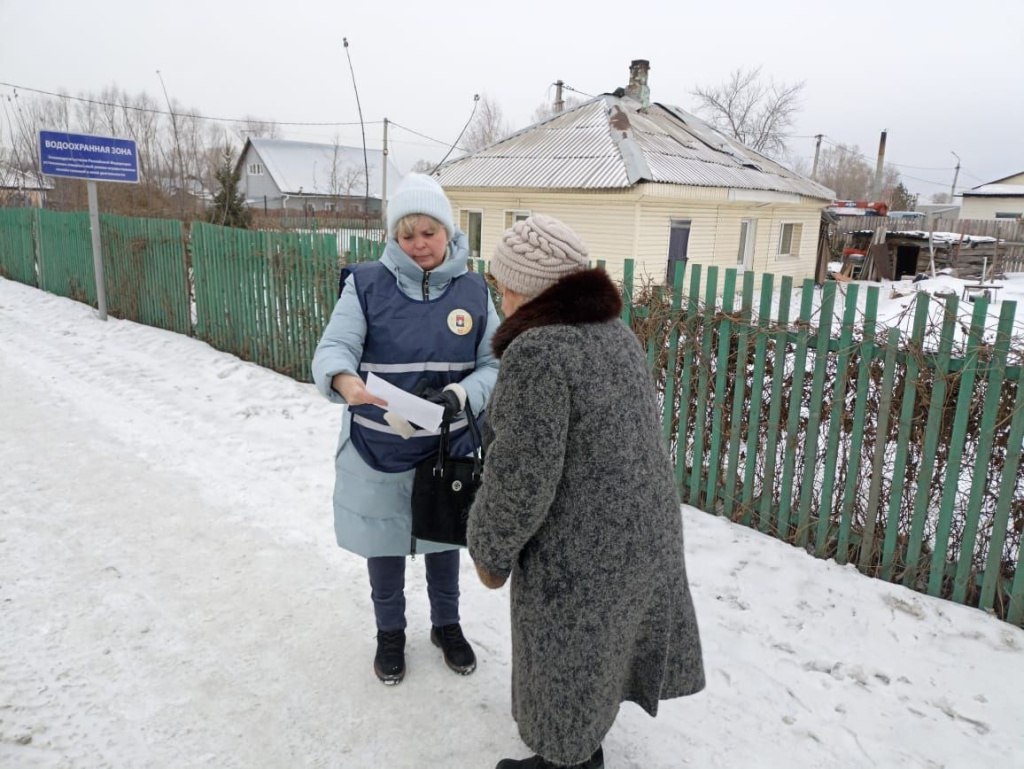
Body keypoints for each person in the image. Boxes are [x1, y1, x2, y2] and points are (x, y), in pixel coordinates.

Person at [467, 214, 705, 769]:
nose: (500, 296)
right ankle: (580, 751)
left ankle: (565, 762)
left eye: (503, 284)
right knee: (597, 663)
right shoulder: (614, 333)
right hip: (639, 537)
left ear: (527, 288)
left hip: (581, 552)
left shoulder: (538, 353)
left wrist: (489, 551)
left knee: (566, 668)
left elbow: (521, 477)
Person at [312, 173, 500, 685]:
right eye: (406, 234)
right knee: (385, 545)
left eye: (428, 233)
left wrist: (464, 395)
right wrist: (345, 382)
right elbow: (334, 347)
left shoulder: (474, 290)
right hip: (379, 445)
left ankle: (447, 625)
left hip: (447, 445)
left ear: (448, 232)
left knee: (443, 542)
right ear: (394, 238)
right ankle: (389, 634)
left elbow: (494, 364)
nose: (418, 244)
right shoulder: (366, 284)